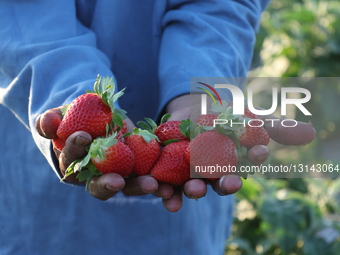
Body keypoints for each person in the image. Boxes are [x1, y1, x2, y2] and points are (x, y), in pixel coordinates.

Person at [0, 1, 315, 254]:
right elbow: (19, 15)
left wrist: (198, 91)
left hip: (179, 221)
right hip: (33, 184)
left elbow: (221, 6)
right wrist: (73, 96)